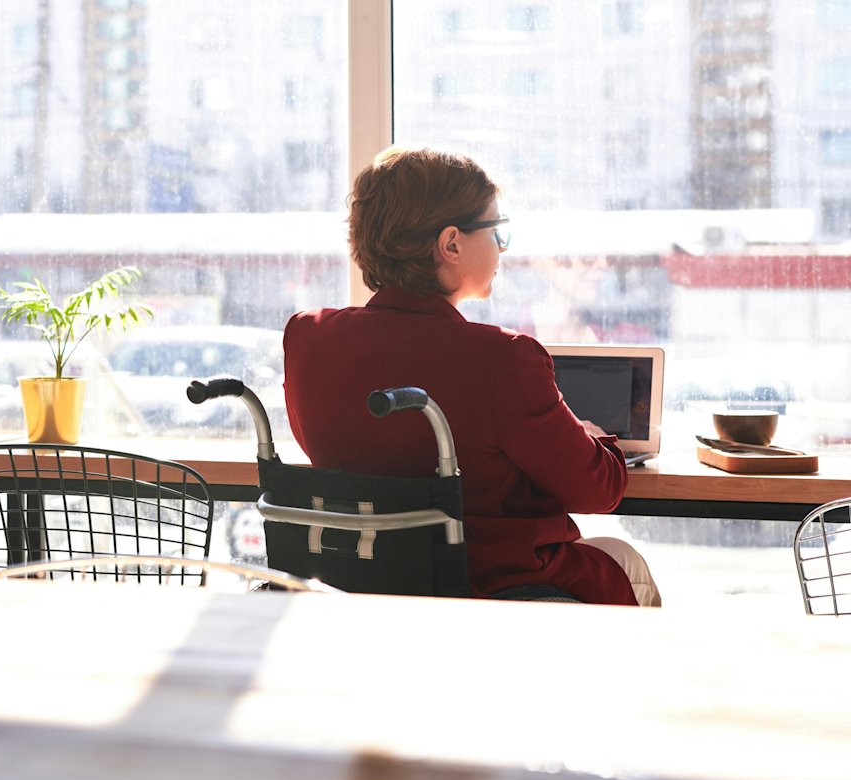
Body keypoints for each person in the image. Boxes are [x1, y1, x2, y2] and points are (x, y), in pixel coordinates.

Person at [283, 146, 661, 606]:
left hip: (358, 588)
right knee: (626, 561)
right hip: (490, 591)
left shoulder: (308, 338)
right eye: (497, 231)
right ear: (451, 244)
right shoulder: (504, 358)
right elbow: (598, 491)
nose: (504, 247)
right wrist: (591, 439)